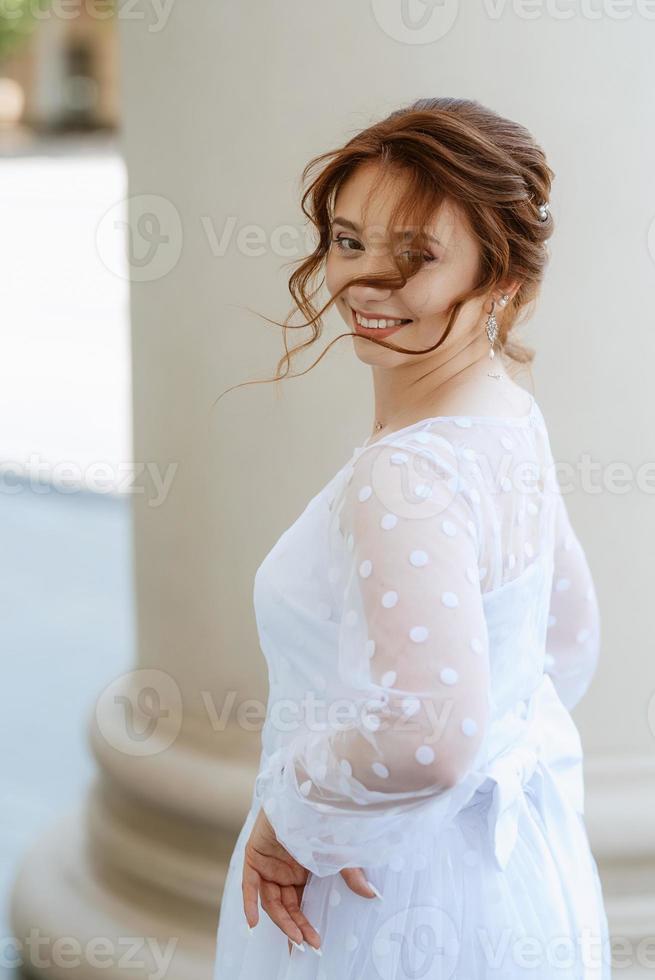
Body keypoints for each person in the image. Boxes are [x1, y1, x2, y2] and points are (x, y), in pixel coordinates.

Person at [212, 97, 612, 978]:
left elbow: (425, 740)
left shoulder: (404, 476)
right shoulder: (509, 418)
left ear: (501, 279)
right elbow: (567, 646)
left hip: (378, 895)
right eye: (349, 241)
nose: (363, 281)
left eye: (415, 257)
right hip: (512, 878)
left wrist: (288, 813)